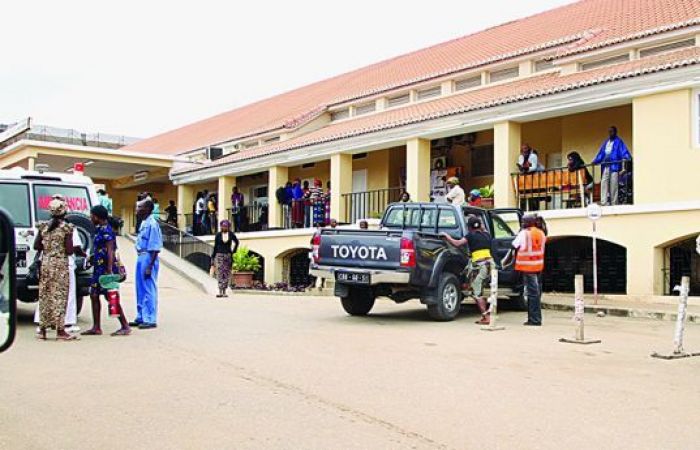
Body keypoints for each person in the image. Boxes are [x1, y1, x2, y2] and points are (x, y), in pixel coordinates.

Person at [33, 198, 84, 334]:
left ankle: (43, 329)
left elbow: (36, 246)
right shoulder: (66, 228)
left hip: (46, 263)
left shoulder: (43, 226)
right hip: (61, 264)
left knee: (45, 294)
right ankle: (61, 330)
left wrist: (48, 248)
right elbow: (69, 250)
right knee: (61, 296)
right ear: (64, 212)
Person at [81, 205, 130, 336]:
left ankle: (125, 325)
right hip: (98, 268)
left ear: (96, 216)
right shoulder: (99, 229)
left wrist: (109, 270)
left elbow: (110, 251)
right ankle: (96, 327)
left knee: (111, 297)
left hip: (106, 269)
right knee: (94, 295)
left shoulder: (107, 231)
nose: (90, 218)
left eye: (91, 215)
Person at [442, 216, 493, 324]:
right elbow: (482, 229)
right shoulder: (487, 235)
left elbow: (457, 243)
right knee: (477, 288)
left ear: (469, 227)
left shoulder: (470, 235)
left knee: (476, 292)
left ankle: (486, 316)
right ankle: (485, 315)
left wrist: (447, 237)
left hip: (480, 266)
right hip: (489, 265)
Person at [129, 200, 163, 329]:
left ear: (148, 209)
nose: (137, 209)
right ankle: (141, 316)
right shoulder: (144, 223)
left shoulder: (153, 224)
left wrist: (149, 266)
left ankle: (150, 318)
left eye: (139, 207)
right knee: (140, 288)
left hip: (149, 257)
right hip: (141, 256)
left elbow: (155, 247)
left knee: (149, 288)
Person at [512, 214, 547, 326]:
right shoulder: (541, 233)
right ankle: (536, 318)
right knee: (536, 293)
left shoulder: (524, 233)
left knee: (532, 294)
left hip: (528, 267)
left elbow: (514, 245)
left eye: (523, 221)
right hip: (538, 266)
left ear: (528, 223)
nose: (522, 223)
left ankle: (534, 319)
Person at [592, 126, 632, 206]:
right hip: (606, 166)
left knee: (614, 185)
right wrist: (596, 161)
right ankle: (603, 202)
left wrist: (627, 157)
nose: (610, 133)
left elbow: (623, 151)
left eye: (612, 131)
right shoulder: (606, 142)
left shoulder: (619, 142)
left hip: (614, 166)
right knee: (604, 182)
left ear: (615, 132)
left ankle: (614, 203)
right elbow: (601, 153)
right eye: (609, 132)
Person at [210, 220, 239, 298]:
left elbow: (236, 242)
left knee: (226, 273)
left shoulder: (231, 234)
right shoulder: (218, 235)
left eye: (226, 226)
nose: (224, 227)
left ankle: (224, 291)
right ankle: (220, 291)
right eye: (223, 226)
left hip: (228, 255)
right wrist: (213, 256)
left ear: (228, 227)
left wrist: (234, 251)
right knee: (219, 273)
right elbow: (215, 246)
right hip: (219, 255)